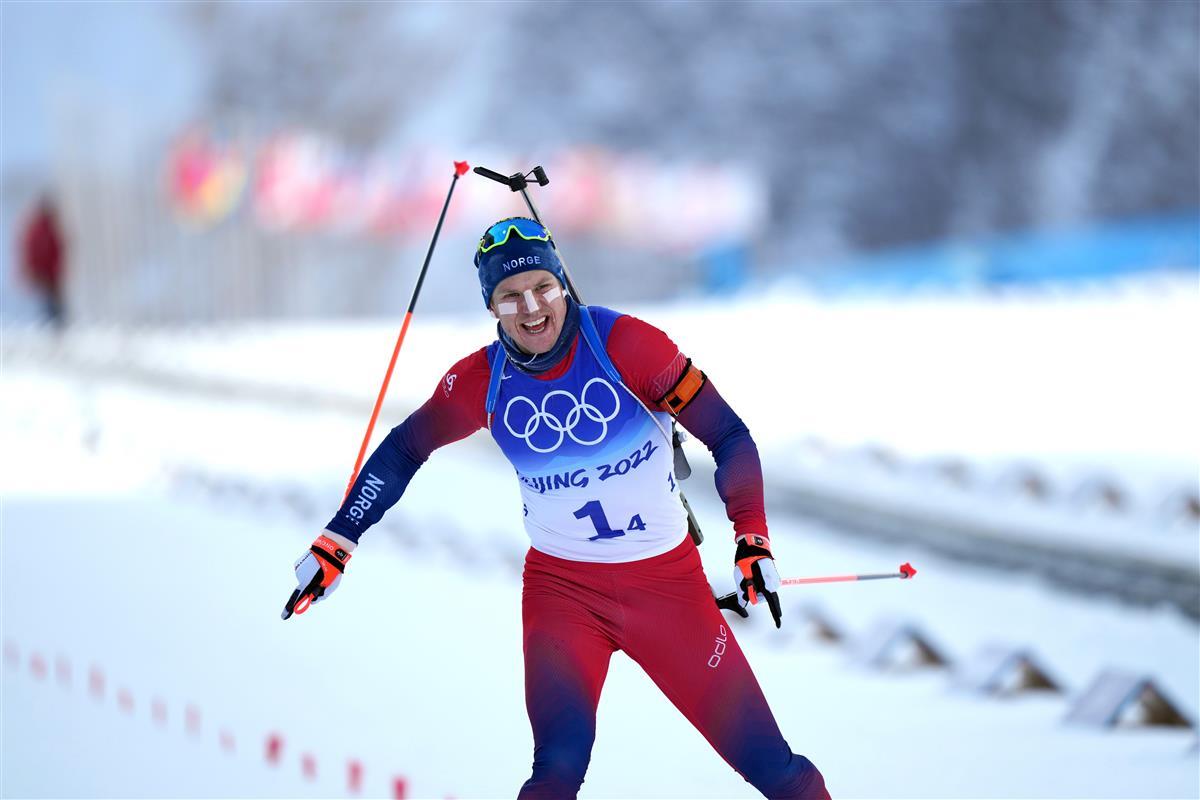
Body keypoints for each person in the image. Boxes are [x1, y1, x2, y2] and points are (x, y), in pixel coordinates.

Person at [284, 217, 830, 799]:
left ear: (563, 283)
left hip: (668, 591)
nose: (531, 307)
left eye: (542, 286)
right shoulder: (482, 381)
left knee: (777, 771)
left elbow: (728, 435)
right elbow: (403, 450)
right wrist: (339, 539)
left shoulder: (630, 346)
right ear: (491, 307)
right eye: (509, 296)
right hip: (563, 595)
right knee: (556, 774)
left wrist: (752, 537)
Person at [19, 196, 67, 327]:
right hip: (43, 276)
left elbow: (58, 251)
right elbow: (31, 253)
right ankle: (48, 331)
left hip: (51, 276)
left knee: (55, 307)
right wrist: (33, 272)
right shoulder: (37, 230)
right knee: (46, 307)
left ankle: (57, 330)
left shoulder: (50, 228)